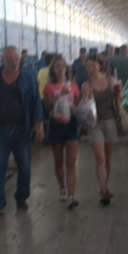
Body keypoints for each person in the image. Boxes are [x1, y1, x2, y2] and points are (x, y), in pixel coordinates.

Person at [0, 46, 44, 214]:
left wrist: (38, 125)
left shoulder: (28, 78)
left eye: (17, 60)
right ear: (2, 61)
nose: (15, 63)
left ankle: (21, 196)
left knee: (24, 166)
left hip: (22, 131)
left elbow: (36, 102)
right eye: (10, 60)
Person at [42, 56, 81, 209]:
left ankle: (71, 196)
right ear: (53, 70)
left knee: (70, 162)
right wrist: (59, 95)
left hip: (71, 123)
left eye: (62, 66)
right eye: (57, 66)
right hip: (56, 124)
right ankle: (62, 188)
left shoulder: (73, 85)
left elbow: (78, 103)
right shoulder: (49, 86)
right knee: (59, 161)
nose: (60, 69)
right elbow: (48, 107)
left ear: (66, 68)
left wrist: (83, 99)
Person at [82, 54, 119, 205]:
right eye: (88, 66)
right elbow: (84, 104)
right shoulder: (87, 84)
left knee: (108, 158)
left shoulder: (111, 80)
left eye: (93, 65)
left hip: (110, 120)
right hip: (94, 123)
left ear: (100, 65)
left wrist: (119, 92)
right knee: (100, 158)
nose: (90, 68)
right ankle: (104, 191)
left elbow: (120, 98)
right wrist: (86, 97)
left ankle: (105, 185)